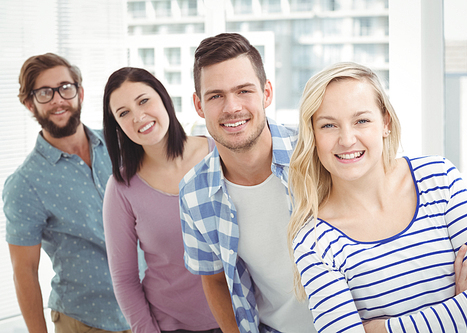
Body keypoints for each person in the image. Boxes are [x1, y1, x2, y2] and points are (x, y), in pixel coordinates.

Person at [288, 62, 467, 332]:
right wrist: (466, 309)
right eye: (329, 125)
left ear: (385, 123)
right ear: (313, 135)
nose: (347, 139)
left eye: (361, 120)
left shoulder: (438, 179)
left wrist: (380, 329)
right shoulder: (314, 241)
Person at [179, 33, 317, 333]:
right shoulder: (194, 193)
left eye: (244, 91)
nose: (231, 108)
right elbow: (214, 279)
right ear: (198, 105)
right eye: (216, 95)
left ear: (266, 93)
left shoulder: (315, 154)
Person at [3, 53, 130, 333]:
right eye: (45, 93)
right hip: (85, 321)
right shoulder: (25, 184)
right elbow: (24, 273)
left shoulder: (120, 144)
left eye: (65, 88)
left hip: (147, 312)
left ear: (80, 93)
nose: (58, 100)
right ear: (29, 103)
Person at [101, 67, 220, 333]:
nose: (139, 117)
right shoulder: (122, 189)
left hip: (242, 318)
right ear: (117, 126)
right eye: (124, 113)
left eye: (144, 101)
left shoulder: (220, 155)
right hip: (172, 327)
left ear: (163, 98)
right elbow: (124, 279)